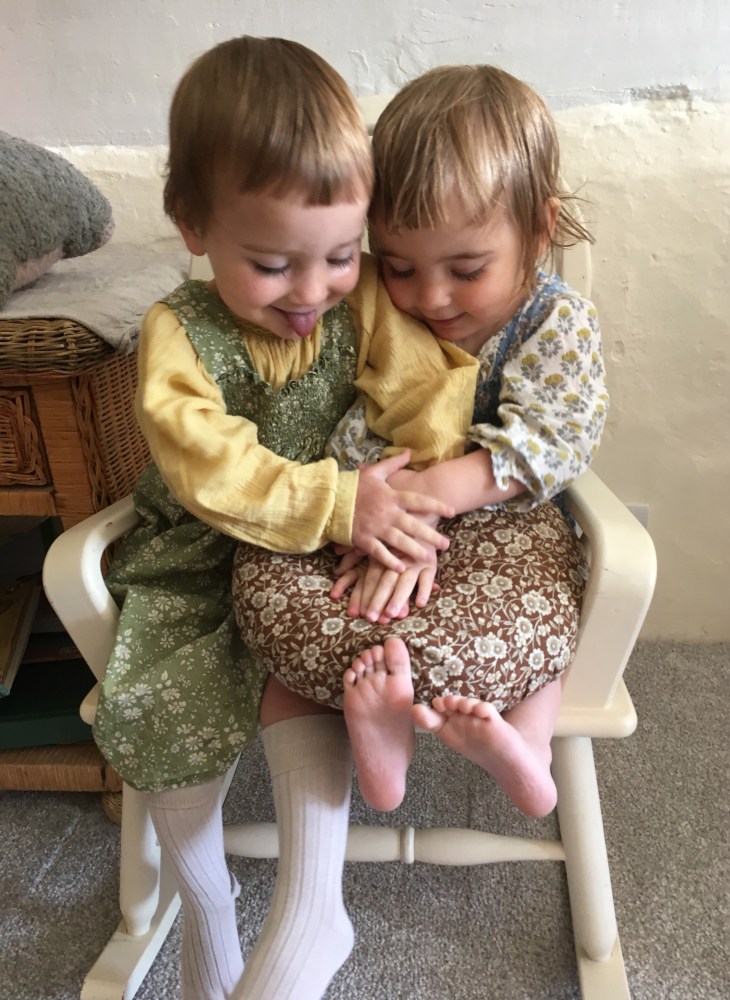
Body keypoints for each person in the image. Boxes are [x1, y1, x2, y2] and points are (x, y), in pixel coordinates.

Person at [91, 36, 477, 1000]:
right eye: (270, 264)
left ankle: (314, 906)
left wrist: (412, 499)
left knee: (330, 661)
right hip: (201, 549)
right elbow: (205, 464)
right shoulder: (178, 331)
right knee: (161, 706)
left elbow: (430, 391)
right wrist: (338, 501)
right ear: (193, 225)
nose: (311, 293)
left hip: (325, 556)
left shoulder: (365, 302)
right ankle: (207, 906)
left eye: (341, 256)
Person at [231, 62, 607, 999]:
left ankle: (526, 752)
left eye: (465, 269)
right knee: (293, 614)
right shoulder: (372, 309)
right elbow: (345, 418)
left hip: (507, 521)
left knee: (547, 620)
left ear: (540, 230)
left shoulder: (552, 320)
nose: (431, 296)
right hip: (386, 505)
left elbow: (557, 435)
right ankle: (382, 753)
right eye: (398, 265)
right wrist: (365, 510)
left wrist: (444, 490)